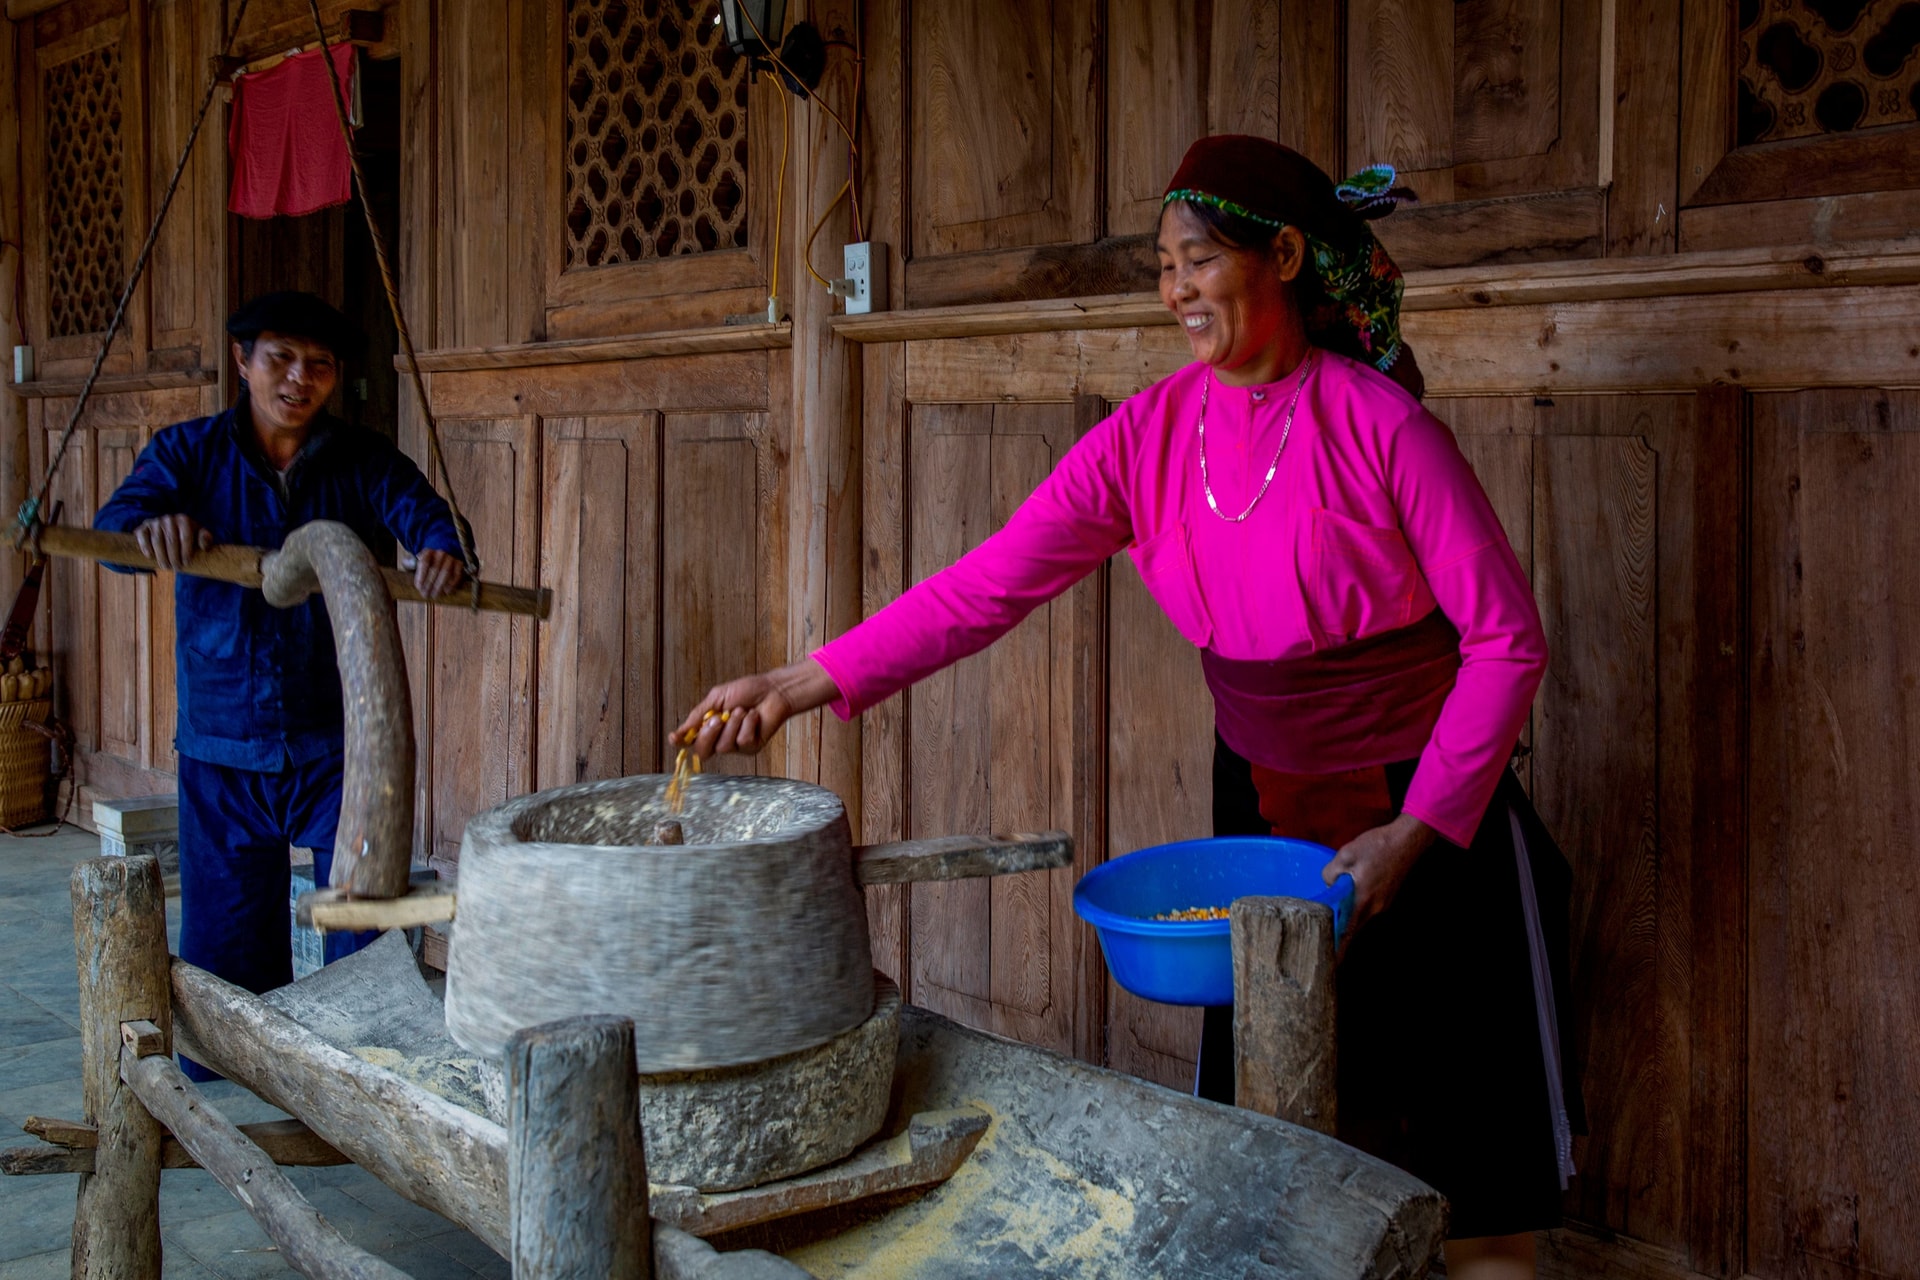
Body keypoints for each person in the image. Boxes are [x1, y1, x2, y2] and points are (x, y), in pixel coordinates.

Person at [672, 136, 1582, 1276]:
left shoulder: (1384, 428)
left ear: (1287, 256)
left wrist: (1418, 828)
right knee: (1281, 1164)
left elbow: (1506, 643)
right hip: (1260, 815)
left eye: (1199, 261)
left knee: (1483, 1202)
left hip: (1433, 820)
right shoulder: (1147, 440)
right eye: (1164, 266)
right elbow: (986, 583)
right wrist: (800, 681)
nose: (1176, 292)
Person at [95, 291, 466, 1071]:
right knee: (227, 975)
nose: (299, 378)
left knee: (367, 947)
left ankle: (360, 1086)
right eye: (280, 359)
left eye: (319, 365)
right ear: (243, 361)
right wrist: (150, 531)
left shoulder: (360, 460)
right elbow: (110, 534)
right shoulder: (187, 453)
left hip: (336, 750)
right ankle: (245, 1092)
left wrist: (441, 549)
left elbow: (431, 517)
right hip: (223, 744)